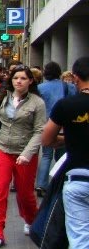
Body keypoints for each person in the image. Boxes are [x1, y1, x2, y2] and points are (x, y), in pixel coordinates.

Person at [40, 56, 89, 249]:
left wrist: (68, 137)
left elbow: (47, 139)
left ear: (76, 79)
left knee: (81, 241)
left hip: (78, 180)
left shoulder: (68, 105)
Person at [0, 64, 46, 248]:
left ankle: (31, 219)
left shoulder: (37, 103)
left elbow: (39, 130)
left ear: (30, 81)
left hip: (25, 152)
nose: (19, 81)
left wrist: (27, 153)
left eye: (23, 78)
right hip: (2, 149)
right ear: (11, 80)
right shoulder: (4, 98)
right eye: (16, 78)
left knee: (25, 193)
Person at [36, 61, 76, 196]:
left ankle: (41, 184)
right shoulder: (68, 87)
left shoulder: (40, 88)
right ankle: (59, 183)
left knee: (46, 155)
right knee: (61, 156)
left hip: (45, 125)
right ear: (59, 72)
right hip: (63, 126)